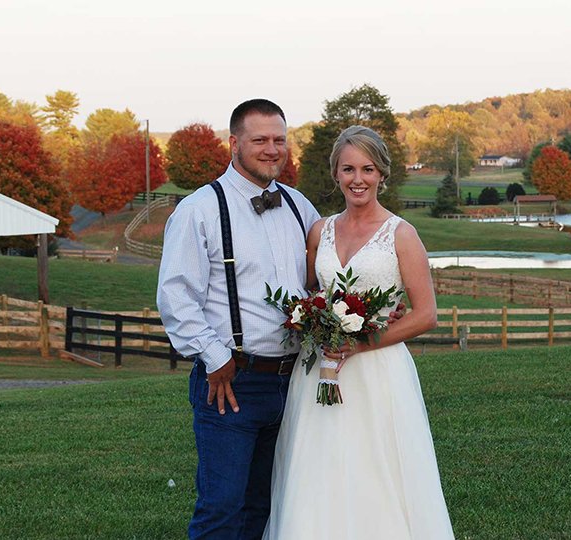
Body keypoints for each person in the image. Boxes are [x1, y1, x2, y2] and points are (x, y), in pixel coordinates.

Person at [264, 126, 454, 539]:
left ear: (382, 174)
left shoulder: (401, 235)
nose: (358, 179)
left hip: (378, 374)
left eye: (368, 169)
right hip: (319, 371)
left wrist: (358, 342)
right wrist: (313, 319)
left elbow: (425, 315)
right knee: (317, 469)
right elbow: (312, 293)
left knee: (375, 470)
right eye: (348, 169)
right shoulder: (321, 231)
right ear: (335, 174)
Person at [157, 99, 320, 539]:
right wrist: (215, 356)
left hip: (292, 382)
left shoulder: (299, 207)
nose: (272, 150)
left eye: (280, 140)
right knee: (222, 509)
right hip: (230, 382)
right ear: (234, 144)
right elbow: (176, 297)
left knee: (266, 507)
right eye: (260, 140)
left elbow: (322, 278)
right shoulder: (199, 210)